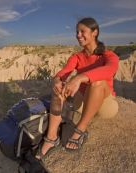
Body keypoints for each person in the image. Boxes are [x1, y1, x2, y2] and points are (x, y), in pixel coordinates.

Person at [36, 17, 119, 159]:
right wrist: (57, 80)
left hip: (105, 105)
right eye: (77, 32)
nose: (78, 35)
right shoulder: (77, 57)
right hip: (82, 103)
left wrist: (79, 77)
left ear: (94, 32)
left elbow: (110, 70)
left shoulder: (108, 55)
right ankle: (51, 138)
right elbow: (63, 73)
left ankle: (80, 129)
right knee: (59, 87)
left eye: (82, 31)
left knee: (97, 82)